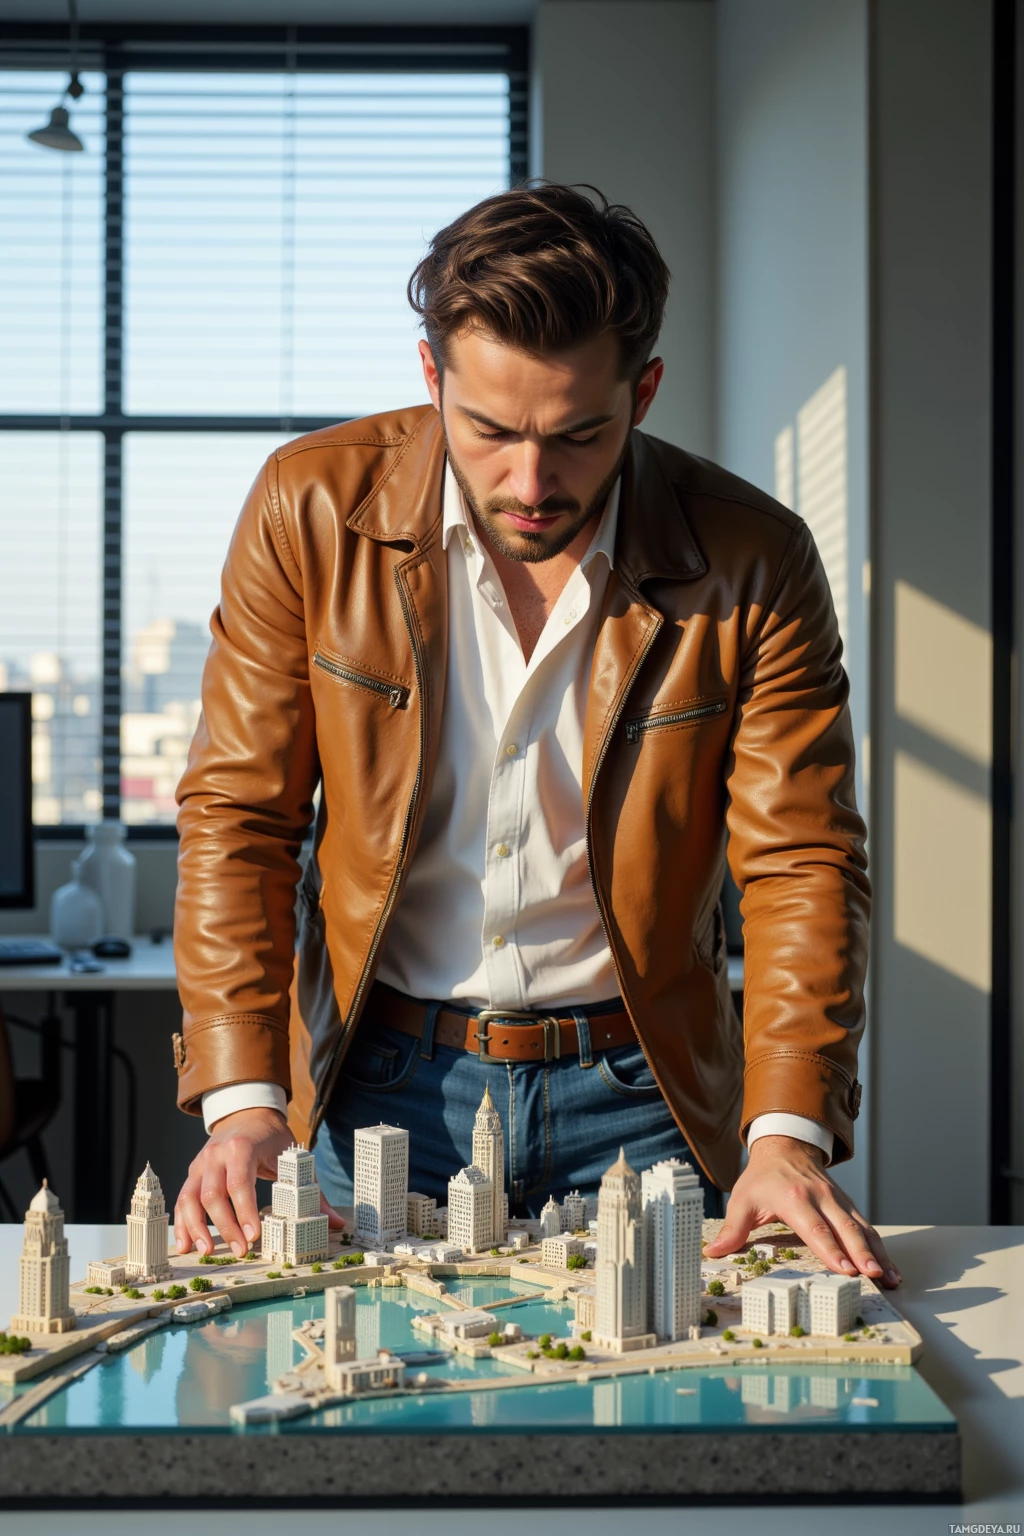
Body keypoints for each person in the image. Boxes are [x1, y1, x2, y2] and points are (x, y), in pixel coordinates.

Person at [171, 183, 899, 1290]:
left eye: (578, 436)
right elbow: (239, 816)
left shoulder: (753, 557)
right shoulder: (308, 510)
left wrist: (788, 1129)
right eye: (490, 431)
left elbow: (802, 857)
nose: (529, 483)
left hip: (647, 1099)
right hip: (380, 1087)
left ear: (642, 392)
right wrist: (242, 1102)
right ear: (432, 377)